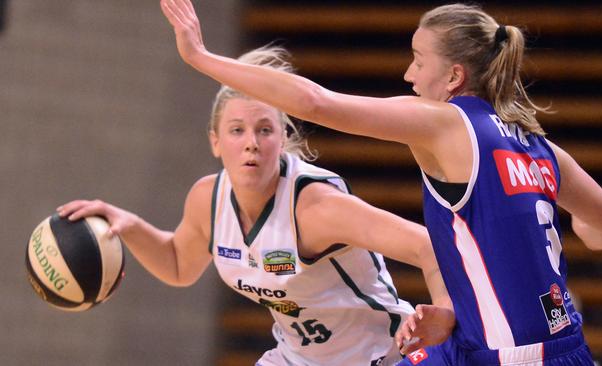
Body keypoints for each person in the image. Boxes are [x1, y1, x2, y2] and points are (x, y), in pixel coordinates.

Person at [159, 1, 602, 365]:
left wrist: (201, 57)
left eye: (418, 60)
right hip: (515, 344)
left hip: (511, 354)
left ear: (453, 76)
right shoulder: (543, 149)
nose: (409, 74)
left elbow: (317, 104)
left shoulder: (447, 124)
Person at [57, 46, 454, 366]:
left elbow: (430, 245)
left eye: (265, 129)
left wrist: (446, 310)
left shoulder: (315, 207)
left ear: (282, 138)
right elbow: (179, 263)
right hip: (295, 358)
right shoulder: (207, 199)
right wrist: (127, 225)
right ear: (215, 142)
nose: (251, 142)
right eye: (237, 130)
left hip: (380, 356)